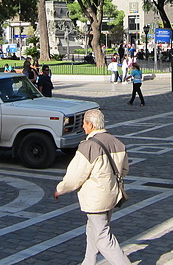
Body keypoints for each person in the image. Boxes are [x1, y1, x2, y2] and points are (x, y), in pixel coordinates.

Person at [54, 109, 131, 265]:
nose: (83, 127)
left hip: (96, 198)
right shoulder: (117, 142)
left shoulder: (88, 146)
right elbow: (124, 170)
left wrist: (60, 189)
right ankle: (88, 262)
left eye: (84, 123)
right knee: (93, 230)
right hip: (112, 194)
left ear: (90, 124)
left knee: (103, 237)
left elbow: (75, 175)